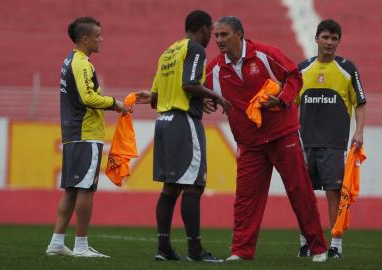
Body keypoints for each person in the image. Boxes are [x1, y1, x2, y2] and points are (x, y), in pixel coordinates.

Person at [205, 16, 328, 262]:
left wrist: (282, 99)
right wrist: (206, 99)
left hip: (283, 135)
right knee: (245, 200)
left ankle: (318, 248)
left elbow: (295, 76)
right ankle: (241, 251)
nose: (218, 40)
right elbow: (201, 91)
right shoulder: (214, 69)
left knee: (299, 191)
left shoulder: (265, 54)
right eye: (216, 36)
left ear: (239, 34)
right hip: (249, 144)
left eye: (224, 35)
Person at [135, 10, 230, 263]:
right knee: (194, 186)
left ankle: (164, 248)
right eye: (211, 30)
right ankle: (195, 250)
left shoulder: (168, 52)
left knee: (170, 187)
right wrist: (216, 96)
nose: (212, 36)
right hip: (182, 122)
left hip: (163, 121)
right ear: (203, 28)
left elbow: (155, 97)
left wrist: (200, 98)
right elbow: (189, 84)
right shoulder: (196, 49)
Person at [46, 16, 127, 258]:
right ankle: (81, 246)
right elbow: (87, 97)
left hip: (73, 133)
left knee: (71, 189)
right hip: (85, 133)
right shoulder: (81, 63)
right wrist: (116, 104)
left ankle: (57, 242)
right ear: (85, 39)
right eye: (98, 35)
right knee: (85, 189)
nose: (101, 39)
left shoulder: (69, 60)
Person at [296, 19, 366, 258]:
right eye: (325, 37)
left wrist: (359, 132)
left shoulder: (348, 68)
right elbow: (290, 104)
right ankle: (305, 243)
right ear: (316, 39)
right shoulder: (302, 68)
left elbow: (360, 103)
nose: (329, 42)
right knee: (303, 195)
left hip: (333, 144)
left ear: (338, 42)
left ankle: (336, 245)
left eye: (334, 38)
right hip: (305, 144)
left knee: (334, 192)